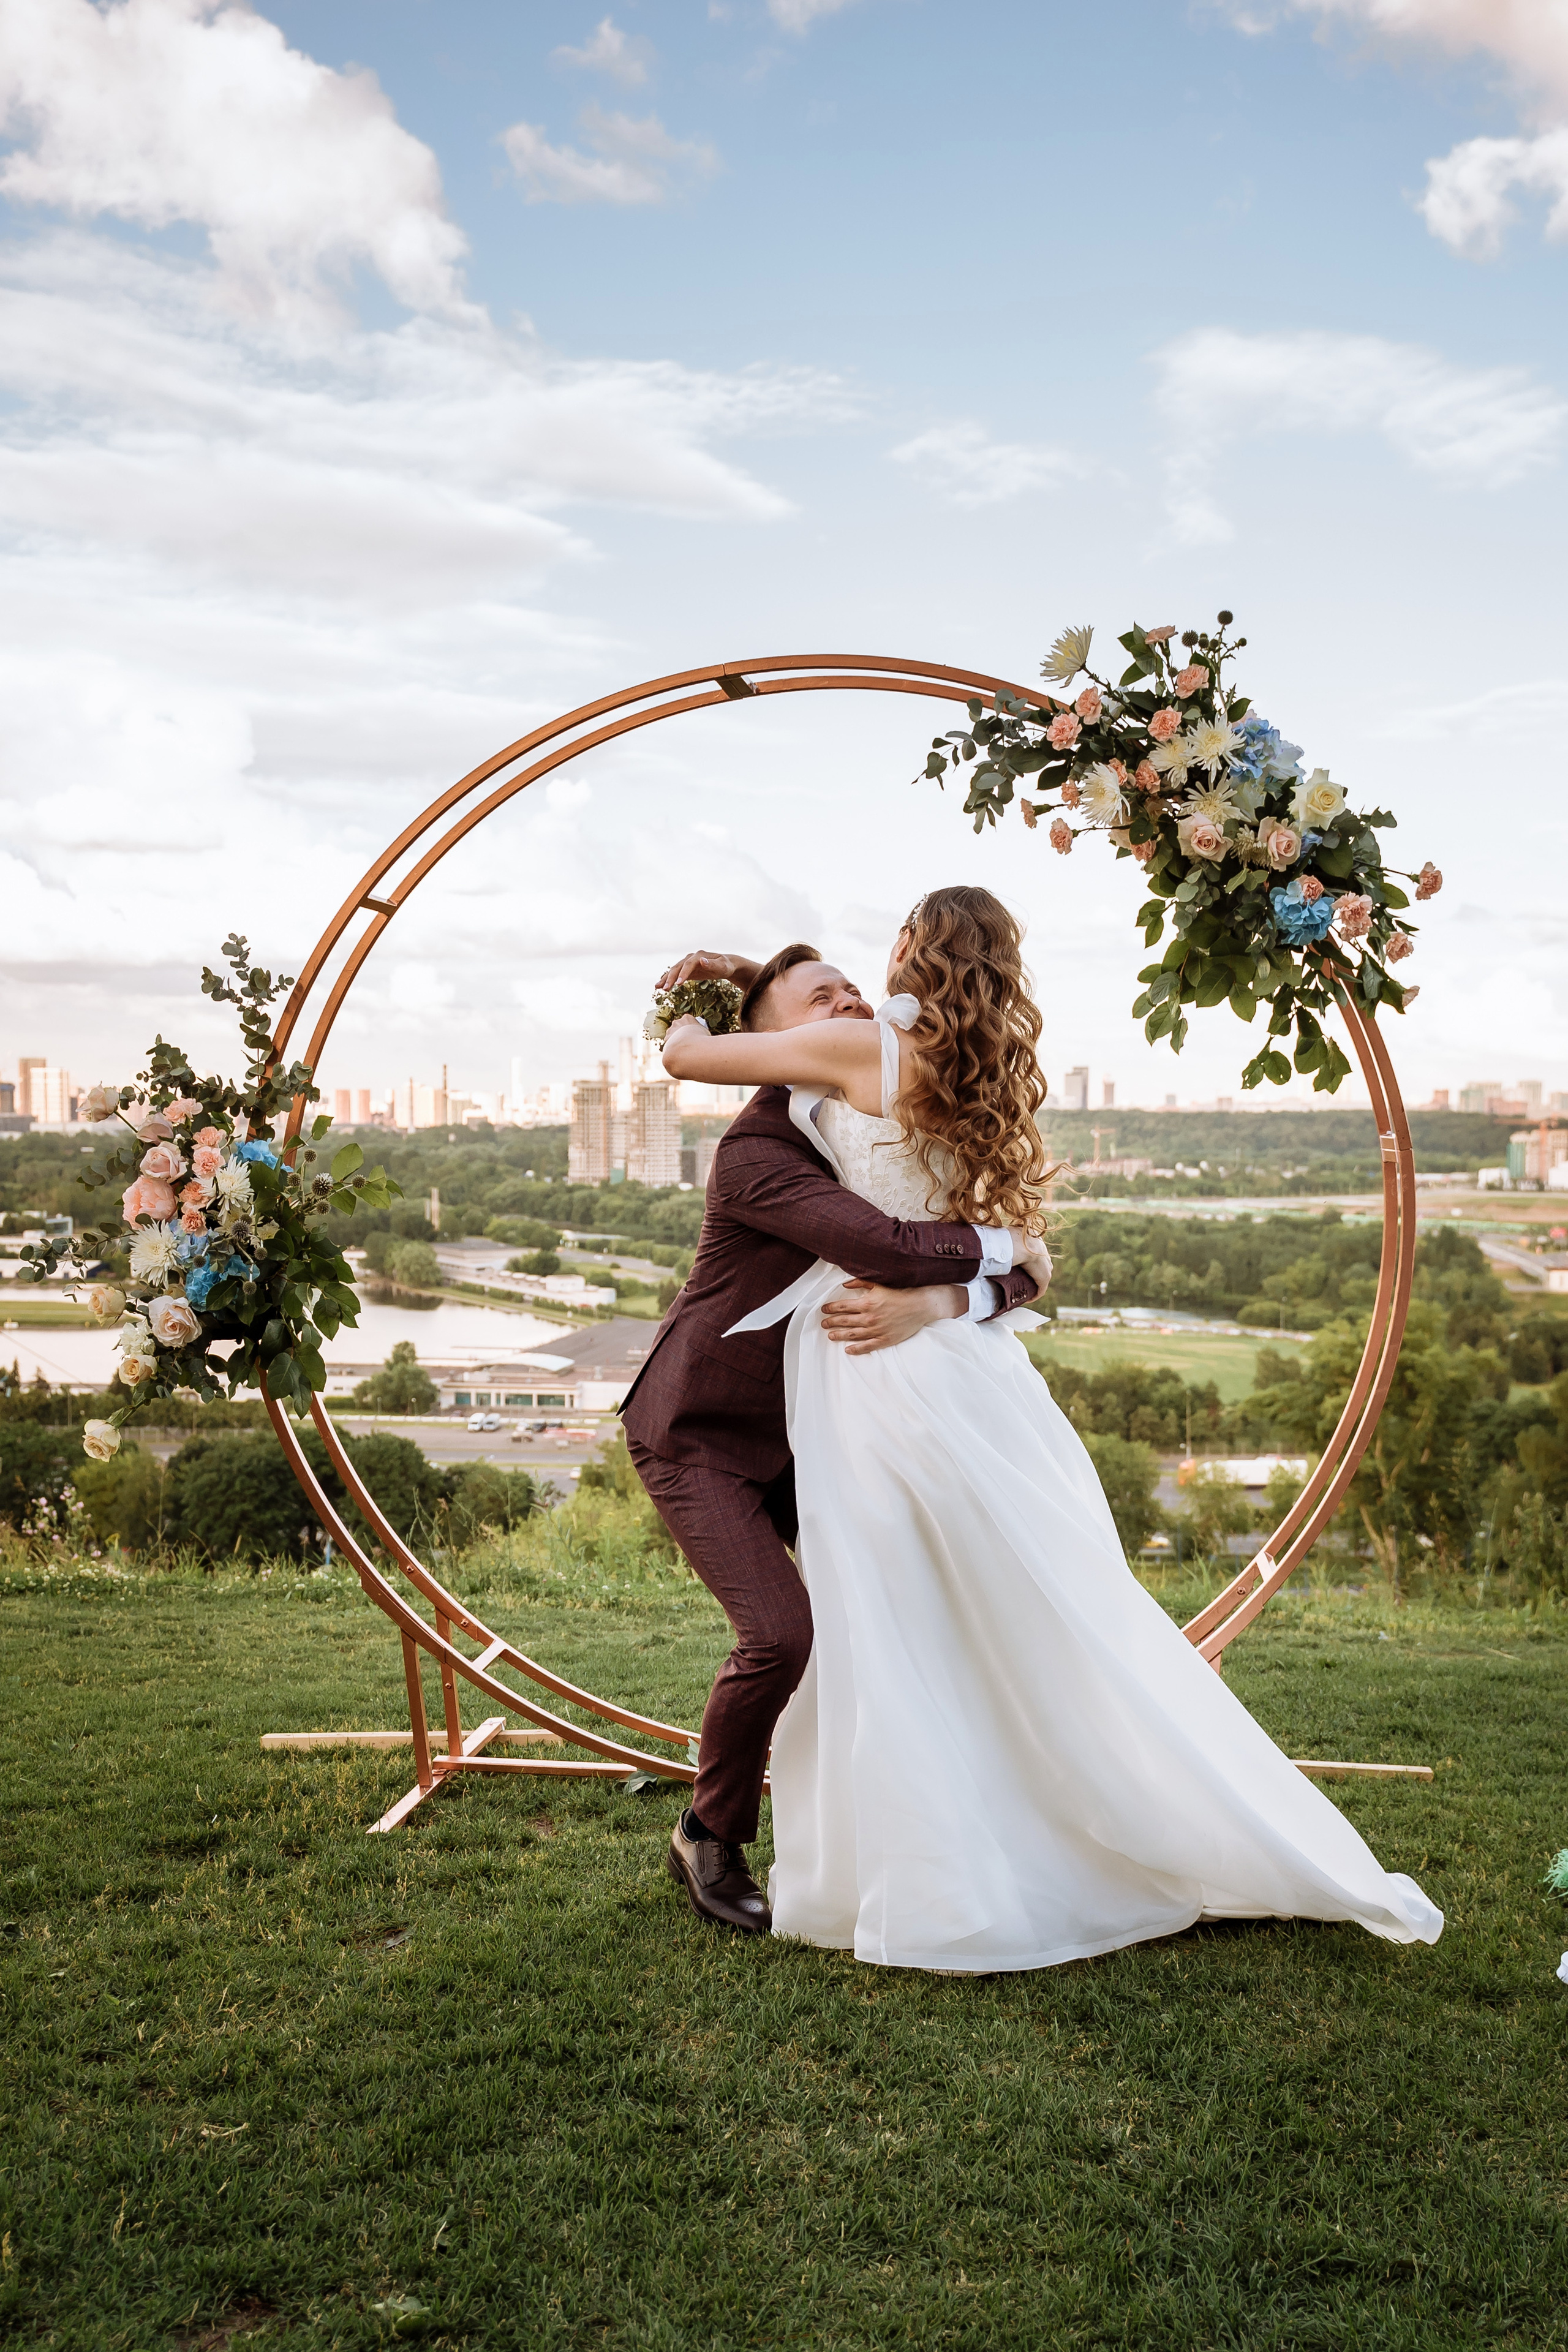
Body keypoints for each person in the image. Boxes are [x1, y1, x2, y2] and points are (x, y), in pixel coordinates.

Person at [658, 887, 1442, 1973]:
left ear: (908, 953)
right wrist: (961, 1292)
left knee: (897, 1609)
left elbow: (695, 1058)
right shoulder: (975, 1069)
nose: (847, 989)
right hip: (966, 1371)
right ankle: (1055, 1813)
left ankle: (939, 1853)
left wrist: (690, 1004)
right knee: (999, 1600)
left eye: (868, 963)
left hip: (876, 1368)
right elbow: (1034, 1259)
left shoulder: (854, 1048)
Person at [619, 941, 1042, 1935]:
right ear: (773, 1046)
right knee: (781, 1635)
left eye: (855, 989)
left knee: (910, 1600)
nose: (855, 1004)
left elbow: (1009, 1279)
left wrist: (966, 1290)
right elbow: (878, 1244)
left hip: (819, 1430)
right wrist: (1007, 1246)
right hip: (703, 1434)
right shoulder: (759, 1152)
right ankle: (707, 1833)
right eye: (827, 1001)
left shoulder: (872, 1112)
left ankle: (945, 1813)